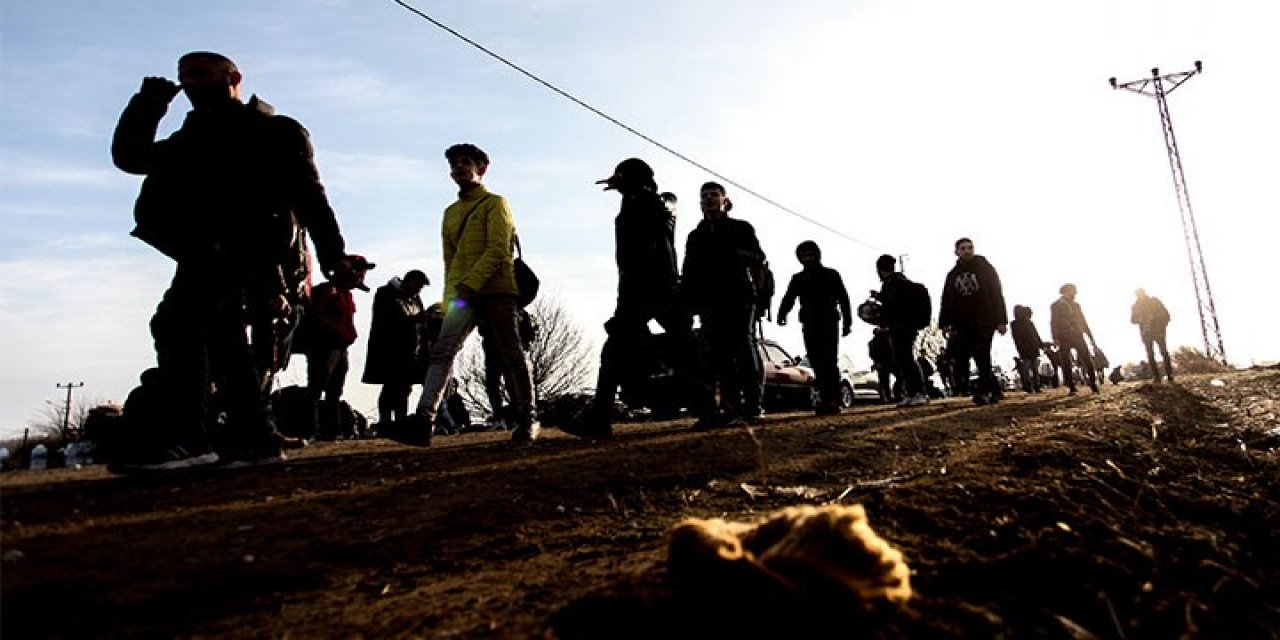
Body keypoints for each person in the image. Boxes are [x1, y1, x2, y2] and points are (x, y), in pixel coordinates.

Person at [111, 51, 350, 470]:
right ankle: (254, 439)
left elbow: (311, 198)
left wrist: (333, 257)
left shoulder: (275, 132)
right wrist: (148, 105)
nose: (191, 83)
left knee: (177, 323)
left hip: (249, 247)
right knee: (223, 339)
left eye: (201, 74)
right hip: (201, 248)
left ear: (233, 78)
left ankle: (189, 438)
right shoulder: (190, 138)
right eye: (185, 76)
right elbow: (131, 157)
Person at [387, 143, 538, 446]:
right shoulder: (450, 213)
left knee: (510, 352)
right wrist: (448, 301)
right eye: (454, 164)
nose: (458, 168)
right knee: (442, 351)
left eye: (465, 162)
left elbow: (499, 249)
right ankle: (424, 420)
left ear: (482, 168)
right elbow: (450, 262)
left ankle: (528, 416)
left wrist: (471, 284)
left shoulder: (496, 203)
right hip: (463, 294)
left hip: (496, 290)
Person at [563, 159, 693, 439]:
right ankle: (599, 419)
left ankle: (600, 419)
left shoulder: (650, 204)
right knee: (672, 347)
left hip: (651, 288)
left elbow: (663, 211)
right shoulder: (639, 205)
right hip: (645, 289)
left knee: (676, 347)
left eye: (622, 179)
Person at [682, 181, 768, 428]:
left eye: (714, 195)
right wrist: (688, 300)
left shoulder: (741, 228)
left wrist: (732, 254)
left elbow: (759, 258)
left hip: (739, 299)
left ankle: (753, 407)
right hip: (709, 302)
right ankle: (727, 410)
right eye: (704, 196)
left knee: (743, 350)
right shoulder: (696, 236)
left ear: (725, 200)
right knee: (716, 357)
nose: (709, 199)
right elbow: (689, 270)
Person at [777, 241, 853, 415]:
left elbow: (844, 298)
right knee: (816, 361)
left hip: (829, 322)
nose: (808, 258)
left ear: (818, 254)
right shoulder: (798, 279)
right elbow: (789, 297)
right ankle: (827, 399)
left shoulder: (831, 275)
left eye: (811, 254)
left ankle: (833, 400)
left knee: (829, 361)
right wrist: (782, 313)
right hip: (810, 323)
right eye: (804, 255)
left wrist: (847, 322)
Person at [303, 256, 373, 439]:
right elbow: (315, 316)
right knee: (317, 386)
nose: (362, 276)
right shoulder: (328, 290)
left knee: (334, 389)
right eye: (360, 271)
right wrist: (339, 333)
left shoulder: (346, 294)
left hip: (340, 348)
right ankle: (310, 429)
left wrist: (348, 335)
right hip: (324, 347)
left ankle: (331, 431)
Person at [938, 237, 1008, 406]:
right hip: (963, 322)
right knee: (975, 355)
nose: (967, 251)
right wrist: (944, 322)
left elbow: (997, 293)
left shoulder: (985, 269)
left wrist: (1001, 320)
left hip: (985, 318)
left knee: (982, 352)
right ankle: (994, 389)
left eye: (970, 247)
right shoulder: (952, 275)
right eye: (963, 248)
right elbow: (947, 299)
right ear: (956, 252)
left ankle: (983, 391)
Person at [362, 269, 430, 430]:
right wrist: (414, 320)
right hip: (389, 350)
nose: (418, 290)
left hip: (410, 351)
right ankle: (386, 421)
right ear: (409, 282)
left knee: (404, 387)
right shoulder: (385, 294)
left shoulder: (414, 298)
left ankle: (400, 420)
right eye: (418, 286)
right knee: (390, 386)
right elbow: (384, 320)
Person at [872, 254, 929, 407]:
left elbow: (894, 306)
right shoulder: (898, 282)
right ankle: (912, 392)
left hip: (901, 326)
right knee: (903, 359)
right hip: (904, 325)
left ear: (880, 270)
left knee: (905, 359)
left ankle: (918, 392)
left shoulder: (893, 284)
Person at [1050, 283, 1100, 395]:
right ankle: (1071, 386)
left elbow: (1083, 321)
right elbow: (1054, 322)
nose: (1074, 294)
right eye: (1072, 291)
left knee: (1086, 359)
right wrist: (1055, 338)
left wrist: (1090, 337)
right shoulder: (1056, 306)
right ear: (1065, 292)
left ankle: (1093, 383)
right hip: (1063, 337)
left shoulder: (1076, 305)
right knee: (1066, 362)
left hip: (1077, 335)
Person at [1131, 288, 1174, 383]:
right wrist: (1141, 319)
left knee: (1163, 352)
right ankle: (1156, 376)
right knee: (1150, 354)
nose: (1139, 296)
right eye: (1138, 295)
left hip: (1158, 331)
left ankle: (1169, 374)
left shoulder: (1154, 301)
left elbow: (1166, 314)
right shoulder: (1135, 306)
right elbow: (1132, 320)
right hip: (1146, 333)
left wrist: (1157, 318)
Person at [1010, 304, 1050, 393]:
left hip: (1023, 348)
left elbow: (1017, 338)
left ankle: (1028, 386)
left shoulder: (1014, 324)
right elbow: (1035, 336)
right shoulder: (1028, 323)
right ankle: (1036, 386)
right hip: (1032, 347)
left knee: (1027, 368)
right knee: (1033, 368)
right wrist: (1040, 345)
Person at [868, 329, 900, 404]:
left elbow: (892, 350)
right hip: (883, 363)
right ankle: (887, 397)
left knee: (897, 378)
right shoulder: (873, 342)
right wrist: (878, 362)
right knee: (884, 381)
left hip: (890, 362)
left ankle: (893, 395)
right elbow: (872, 354)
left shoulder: (888, 339)